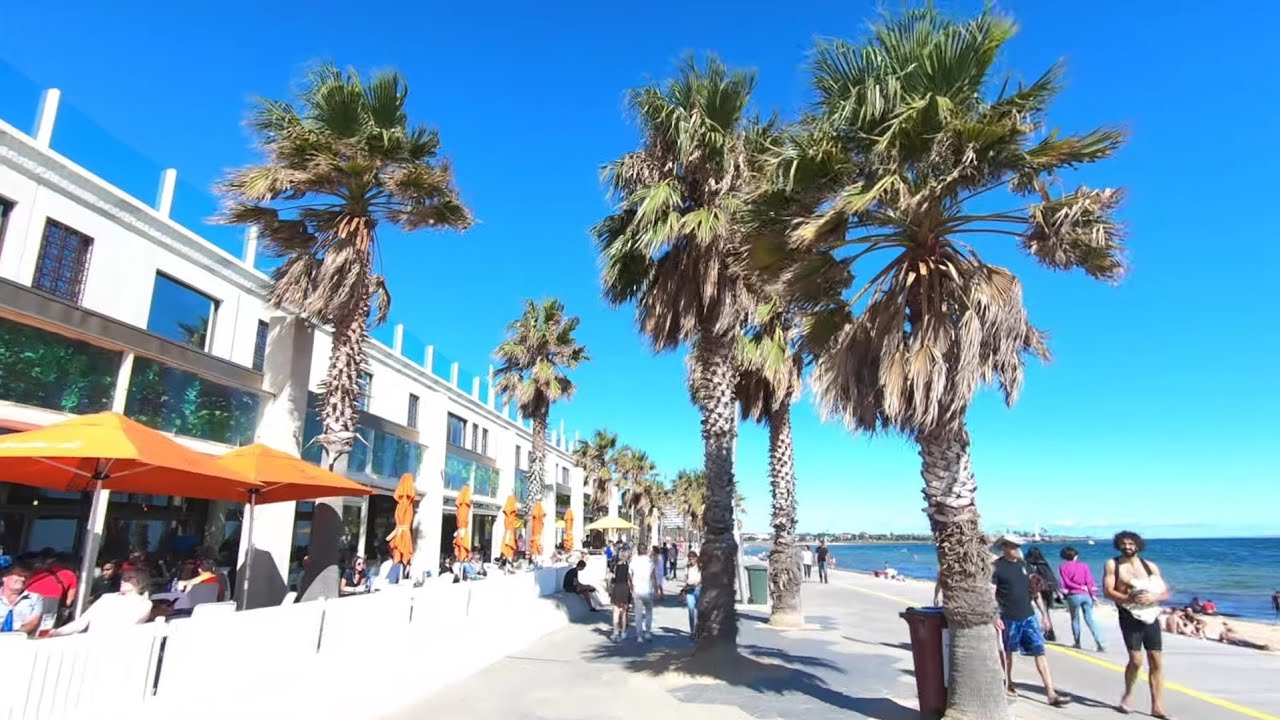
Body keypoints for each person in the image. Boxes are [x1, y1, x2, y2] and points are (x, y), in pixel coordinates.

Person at [992, 535, 1069, 707]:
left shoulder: (1024, 565)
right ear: (1004, 547)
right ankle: (1008, 682)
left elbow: (1035, 592)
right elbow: (991, 593)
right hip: (1008, 617)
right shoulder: (996, 567)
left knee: (1039, 651)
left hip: (1028, 616)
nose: (1017, 549)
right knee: (1008, 653)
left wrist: (1044, 615)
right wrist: (994, 616)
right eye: (1013, 546)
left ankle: (1051, 693)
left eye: (1018, 546)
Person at [1104, 530, 1170, 718]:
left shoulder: (1150, 566)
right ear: (1118, 545)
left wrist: (1154, 598)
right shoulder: (1113, 564)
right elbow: (1108, 591)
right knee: (1136, 660)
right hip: (1129, 616)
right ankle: (1127, 695)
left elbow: (1165, 592)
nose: (1127, 547)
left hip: (1151, 616)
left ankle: (1157, 706)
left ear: (1138, 545)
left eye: (1131, 543)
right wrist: (1128, 598)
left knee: (1156, 660)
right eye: (1124, 544)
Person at [51, 565, 153, 635]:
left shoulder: (143, 603)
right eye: (123, 578)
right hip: (90, 645)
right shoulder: (106, 598)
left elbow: (125, 627)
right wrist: (56, 632)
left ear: (140, 581)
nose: (124, 581)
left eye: (129, 578)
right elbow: (81, 623)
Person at [1057, 547, 1105, 652]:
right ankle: (1100, 642)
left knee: (1075, 619)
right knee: (1090, 619)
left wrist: (1076, 588)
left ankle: (1077, 642)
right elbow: (1089, 582)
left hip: (1073, 595)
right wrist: (1093, 595)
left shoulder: (1062, 567)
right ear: (1076, 556)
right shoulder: (1084, 566)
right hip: (1086, 595)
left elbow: (1066, 583)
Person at [26, 548, 78, 629]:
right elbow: (69, 601)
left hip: (28, 596)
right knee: (44, 626)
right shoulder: (70, 575)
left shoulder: (38, 571)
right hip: (50, 599)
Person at [1024, 547, 1060, 642]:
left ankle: (1048, 631)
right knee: (1045, 611)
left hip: (1036, 589)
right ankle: (1049, 631)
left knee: (1040, 611)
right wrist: (1056, 591)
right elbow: (1051, 578)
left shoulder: (1028, 565)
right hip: (1047, 590)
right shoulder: (1043, 564)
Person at [0, 557, 42, 636]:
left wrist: (11, 635)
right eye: (19, 575)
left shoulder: (35, 599)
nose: (23, 579)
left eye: (25, 576)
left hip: (21, 640)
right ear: (4, 577)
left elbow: (32, 623)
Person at [631, 547, 658, 642]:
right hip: (648, 590)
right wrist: (656, 590)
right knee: (649, 612)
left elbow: (630, 575)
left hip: (637, 589)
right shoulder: (649, 562)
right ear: (646, 551)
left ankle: (639, 635)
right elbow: (653, 577)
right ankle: (647, 632)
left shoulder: (633, 561)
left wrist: (632, 587)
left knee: (638, 614)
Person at [609, 546, 632, 642]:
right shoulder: (628, 567)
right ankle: (623, 632)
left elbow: (610, 578)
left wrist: (609, 589)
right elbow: (630, 580)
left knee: (615, 611)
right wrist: (632, 590)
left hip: (616, 587)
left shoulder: (614, 567)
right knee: (624, 612)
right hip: (625, 588)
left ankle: (615, 631)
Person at [681, 551, 702, 639]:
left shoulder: (700, 567)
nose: (691, 560)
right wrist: (686, 581)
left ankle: (699, 629)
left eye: (693, 559)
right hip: (690, 590)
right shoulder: (687, 567)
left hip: (698, 589)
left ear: (696, 558)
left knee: (699, 612)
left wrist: (698, 582)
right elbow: (685, 578)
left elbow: (703, 577)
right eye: (690, 559)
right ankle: (692, 631)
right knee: (691, 611)